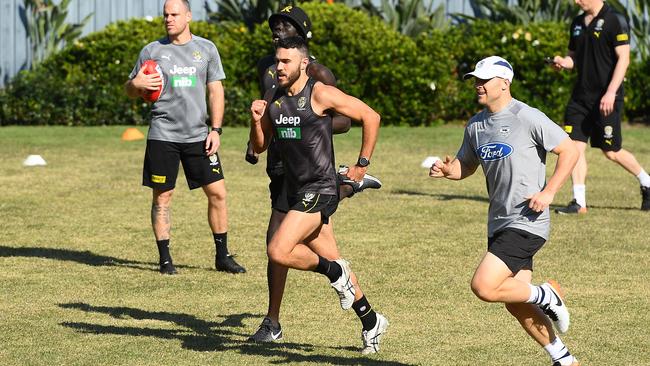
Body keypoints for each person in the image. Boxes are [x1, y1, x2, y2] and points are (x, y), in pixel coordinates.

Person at [430, 56, 580, 366]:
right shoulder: (476, 125)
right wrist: (448, 171)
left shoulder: (528, 117)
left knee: (484, 286)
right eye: (476, 79)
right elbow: (466, 167)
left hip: (527, 220)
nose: (478, 85)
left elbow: (569, 150)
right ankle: (564, 359)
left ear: (504, 83)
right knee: (515, 301)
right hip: (498, 221)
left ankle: (547, 294)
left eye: (484, 80)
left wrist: (549, 192)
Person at [246, 6, 381, 343]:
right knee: (330, 253)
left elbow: (370, 116)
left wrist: (361, 164)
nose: (278, 67)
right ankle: (371, 321)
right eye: (277, 62)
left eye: (286, 62)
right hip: (293, 187)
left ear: (303, 64)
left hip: (320, 188)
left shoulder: (319, 92)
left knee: (278, 249)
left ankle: (336, 273)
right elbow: (260, 146)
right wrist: (255, 118)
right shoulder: (274, 97)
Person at [124, 0, 245, 275]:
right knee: (162, 198)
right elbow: (130, 88)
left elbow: (216, 91)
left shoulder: (206, 49)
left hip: (199, 136)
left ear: (188, 16)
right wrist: (136, 85)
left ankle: (222, 256)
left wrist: (216, 129)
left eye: (174, 14)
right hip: (163, 136)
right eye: (165, 14)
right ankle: (165, 260)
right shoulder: (151, 51)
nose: (168, 19)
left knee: (218, 193)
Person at [551, 0, 650, 213]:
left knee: (611, 151)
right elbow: (573, 58)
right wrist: (562, 61)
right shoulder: (577, 22)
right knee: (573, 147)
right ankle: (579, 202)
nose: (576, 1)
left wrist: (611, 92)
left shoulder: (615, 20)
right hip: (580, 99)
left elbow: (624, 59)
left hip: (607, 97)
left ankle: (646, 182)